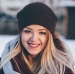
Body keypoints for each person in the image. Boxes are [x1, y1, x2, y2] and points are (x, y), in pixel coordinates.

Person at [0, 2, 75, 74]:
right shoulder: (3, 66)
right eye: (27, 31)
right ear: (20, 33)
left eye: (42, 32)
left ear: (49, 37)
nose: (34, 39)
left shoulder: (64, 69)